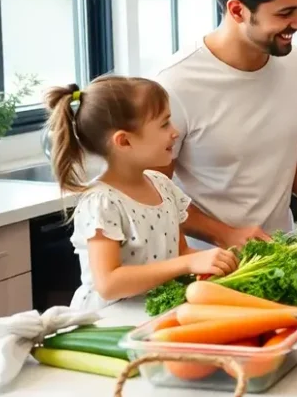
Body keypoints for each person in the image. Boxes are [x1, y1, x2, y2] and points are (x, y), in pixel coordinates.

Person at [155, 0, 297, 249]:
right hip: (205, 270)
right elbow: (151, 194)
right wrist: (225, 235)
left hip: (282, 257)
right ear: (237, 10)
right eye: (285, 13)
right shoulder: (175, 84)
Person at [44, 77, 238, 311]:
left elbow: (181, 252)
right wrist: (187, 263)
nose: (175, 132)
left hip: (149, 314)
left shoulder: (161, 185)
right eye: (164, 124)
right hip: (107, 323)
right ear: (124, 141)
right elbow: (108, 283)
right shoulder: (102, 202)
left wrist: (217, 262)